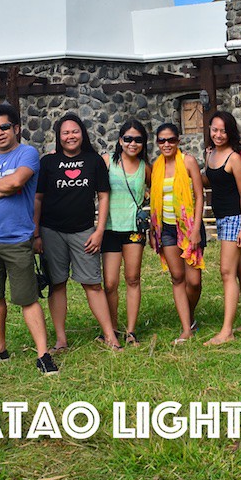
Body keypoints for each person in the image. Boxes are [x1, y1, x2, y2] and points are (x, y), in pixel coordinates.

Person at [0, 103, 57, 375]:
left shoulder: (27, 153)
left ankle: (44, 355)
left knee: (27, 298)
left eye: (5, 127)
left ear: (16, 128)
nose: (0, 133)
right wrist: (3, 187)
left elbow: (17, 183)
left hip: (17, 240)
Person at [33, 112, 122, 352]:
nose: (70, 136)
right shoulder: (48, 163)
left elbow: (103, 196)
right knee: (57, 284)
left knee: (93, 284)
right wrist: (36, 234)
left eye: (75, 131)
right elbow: (38, 198)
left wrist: (99, 230)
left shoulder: (94, 161)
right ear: (58, 137)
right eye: (65, 132)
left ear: (82, 134)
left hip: (84, 232)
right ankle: (61, 340)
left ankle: (110, 337)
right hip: (51, 231)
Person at [202, 110, 241, 345]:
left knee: (227, 272)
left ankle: (227, 331)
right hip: (223, 217)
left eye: (223, 130)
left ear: (230, 132)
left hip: (235, 218)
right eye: (215, 129)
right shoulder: (211, 154)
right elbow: (212, 182)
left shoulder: (233, 158)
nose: (218, 134)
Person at [149, 122, 205, 344]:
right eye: (162, 140)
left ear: (178, 141)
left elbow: (200, 196)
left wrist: (196, 229)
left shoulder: (188, 161)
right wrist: (155, 231)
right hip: (167, 229)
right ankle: (186, 328)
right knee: (177, 278)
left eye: (171, 140)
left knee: (194, 281)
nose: (166, 144)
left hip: (189, 227)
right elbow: (155, 199)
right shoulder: (156, 167)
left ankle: (189, 314)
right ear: (157, 143)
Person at [102, 119, 151, 346]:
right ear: (120, 140)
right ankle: (111, 329)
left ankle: (131, 331)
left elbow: (155, 189)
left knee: (132, 278)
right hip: (110, 227)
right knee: (110, 283)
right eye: (128, 139)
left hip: (133, 229)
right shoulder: (107, 162)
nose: (133, 143)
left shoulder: (145, 167)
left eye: (138, 139)